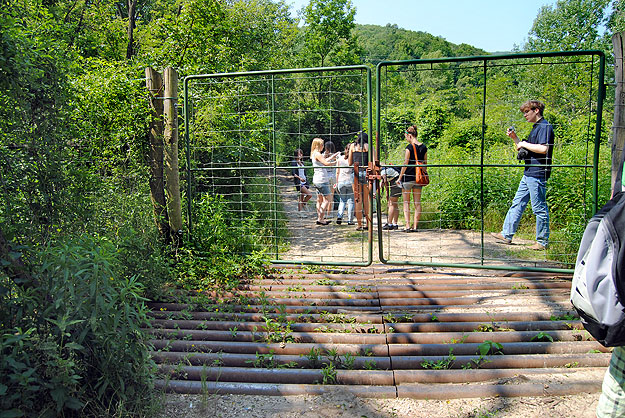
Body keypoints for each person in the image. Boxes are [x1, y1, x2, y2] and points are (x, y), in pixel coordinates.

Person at [490, 100, 554, 250]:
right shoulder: (536, 127)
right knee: (518, 203)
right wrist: (515, 138)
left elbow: (544, 149)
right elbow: (525, 148)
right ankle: (506, 234)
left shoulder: (545, 127)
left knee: (539, 208)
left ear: (536, 110)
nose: (525, 115)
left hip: (538, 172)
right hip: (529, 172)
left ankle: (542, 242)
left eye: (527, 112)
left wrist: (524, 144)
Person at [396, 125, 427, 232]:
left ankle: (407, 226)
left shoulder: (409, 148)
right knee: (417, 203)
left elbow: (405, 163)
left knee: (406, 203)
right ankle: (415, 226)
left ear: (409, 135)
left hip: (408, 177)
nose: (406, 138)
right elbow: (425, 164)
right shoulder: (424, 147)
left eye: (406, 136)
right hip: (418, 178)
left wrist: (400, 177)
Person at [310, 137, 338, 225]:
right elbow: (326, 163)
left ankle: (320, 218)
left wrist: (333, 156)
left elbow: (324, 160)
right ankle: (320, 218)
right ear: (318, 145)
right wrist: (336, 162)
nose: (323, 146)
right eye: (322, 144)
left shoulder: (314, 154)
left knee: (319, 200)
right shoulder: (318, 154)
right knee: (328, 199)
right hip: (322, 179)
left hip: (317, 179)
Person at [349, 132, 370, 231]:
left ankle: (359, 224)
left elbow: (350, 162)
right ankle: (368, 224)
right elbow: (373, 162)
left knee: (357, 199)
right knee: (366, 200)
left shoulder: (353, 146)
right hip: (366, 173)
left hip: (356, 174)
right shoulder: (369, 147)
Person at [335, 145, 355, 225]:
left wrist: (336, 182)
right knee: (351, 201)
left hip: (341, 181)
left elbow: (337, 171)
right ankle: (350, 220)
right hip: (350, 181)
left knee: (342, 200)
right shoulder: (353, 160)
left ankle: (339, 216)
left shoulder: (340, 159)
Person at [291, 148, 312, 216]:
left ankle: (300, 212)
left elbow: (304, 172)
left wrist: (306, 180)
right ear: (296, 155)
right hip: (299, 182)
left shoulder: (302, 162)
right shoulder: (294, 162)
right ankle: (304, 204)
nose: (300, 155)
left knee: (301, 197)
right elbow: (294, 173)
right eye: (299, 154)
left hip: (304, 182)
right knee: (309, 194)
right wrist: (300, 178)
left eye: (301, 153)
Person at [380, 165, 401, 230]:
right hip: (398, 183)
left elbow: (384, 181)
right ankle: (395, 223)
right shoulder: (387, 169)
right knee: (395, 204)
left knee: (391, 204)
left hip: (395, 183)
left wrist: (380, 186)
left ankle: (389, 223)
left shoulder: (383, 172)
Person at [324, 141, 337, 219]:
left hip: (325, 176)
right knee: (331, 195)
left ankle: (324, 212)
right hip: (333, 176)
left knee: (324, 196)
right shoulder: (335, 156)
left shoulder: (323, 155)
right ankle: (329, 213)